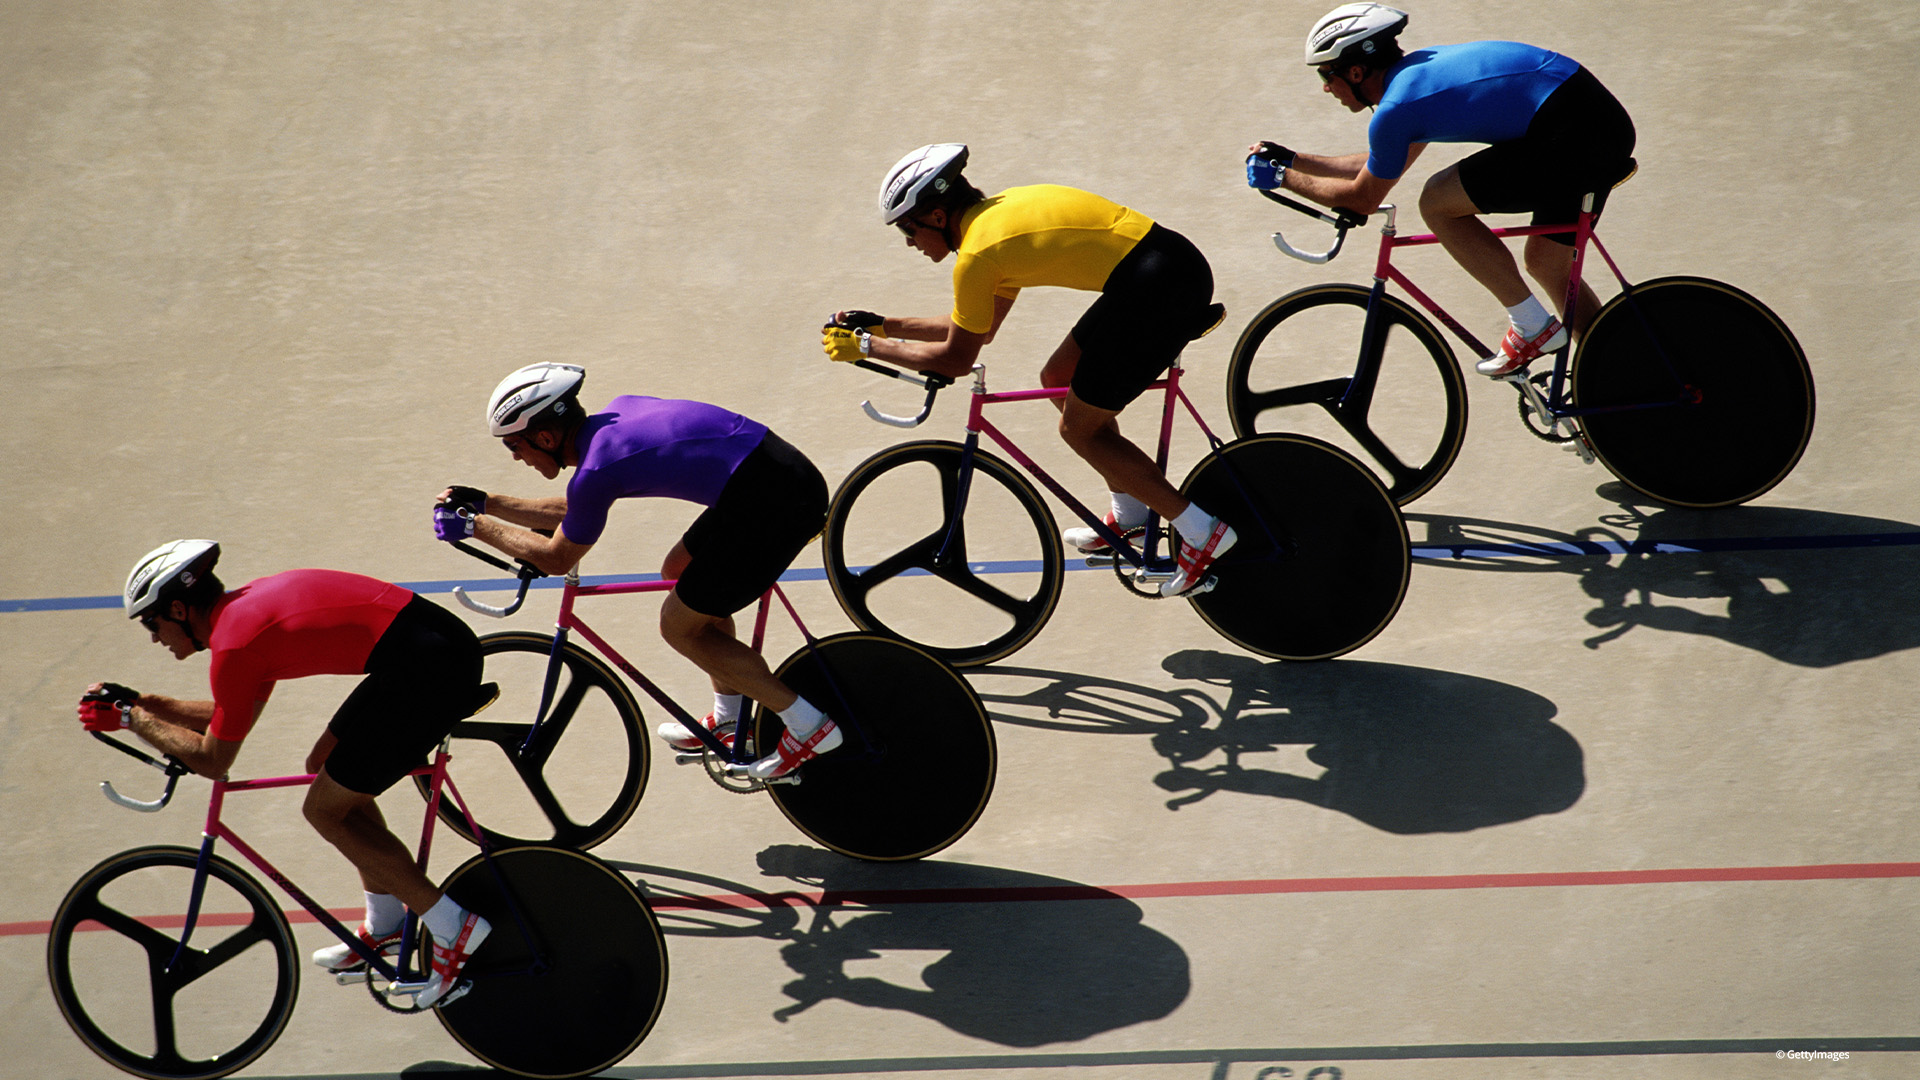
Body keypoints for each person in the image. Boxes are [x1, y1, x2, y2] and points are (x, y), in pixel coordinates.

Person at [77, 539, 490, 1008]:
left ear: (177, 609)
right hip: (426, 654)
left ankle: (452, 925)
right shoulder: (240, 618)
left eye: (152, 624)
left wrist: (132, 720)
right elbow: (227, 713)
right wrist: (145, 705)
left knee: (324, 812)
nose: (154, 638)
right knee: (322, 769)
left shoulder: (235, 646)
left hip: (430, 668)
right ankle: (388, 924)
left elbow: (214, 760)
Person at [823, 143, 1234, 598]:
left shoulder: (978, 256)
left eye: (908, 228)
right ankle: (1134, 517)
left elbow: (956, 359)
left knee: (1080, 431)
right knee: (1058, 376)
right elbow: (978, 328)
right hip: (1165, 268)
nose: (908, 242)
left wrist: (867, 347)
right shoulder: (991, 223)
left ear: (937, 216)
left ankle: (1202, 530)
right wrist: (883, 325)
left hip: (1156, 288)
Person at [434, 362, 836, 779]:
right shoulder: (611, 421)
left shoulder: (595, 471)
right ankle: (732, 716)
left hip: (777, 503)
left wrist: (472, 527)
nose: (517, 458)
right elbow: (575, 510)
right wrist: (487, 503)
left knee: (679, 626)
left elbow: (557, 557)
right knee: (679, 570)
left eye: (515, 446)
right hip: (770, 479)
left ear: (546, 436)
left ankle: (808, 725)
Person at [1247, 3, 1636, 377]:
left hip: (1571, 131)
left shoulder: (1397, 108)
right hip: (1593, 122)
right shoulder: (1415, 80)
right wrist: (1292, 159)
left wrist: (1280, 178)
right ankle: (1611, 385)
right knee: (1546, 264)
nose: (1325, 89)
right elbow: (1374, 164)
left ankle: (1531, 325)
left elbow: (1363, 198)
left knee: (1436, 201)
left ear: (1355, 72)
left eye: (1325, 76)